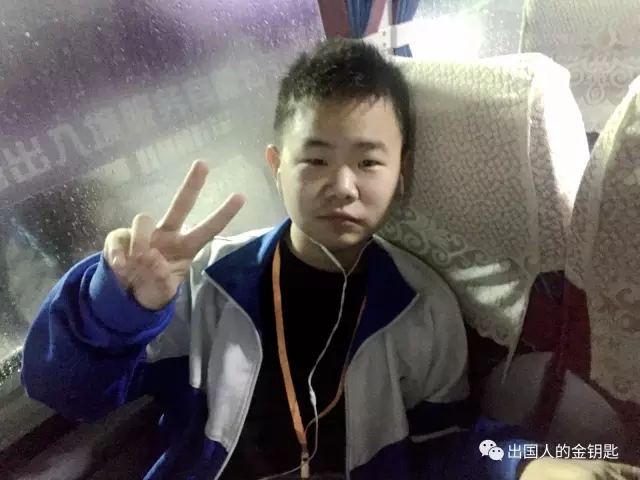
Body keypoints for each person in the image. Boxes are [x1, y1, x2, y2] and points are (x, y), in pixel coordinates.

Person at [21, 39, 640, 480]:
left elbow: (446, 450)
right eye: (315, 159)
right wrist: (116, 307)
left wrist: (528, 465)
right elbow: (65, 392)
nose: (342, 185)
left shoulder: (424, 309)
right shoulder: (205, 285)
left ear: (401, 176)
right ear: (276, 167)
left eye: (368, 162)